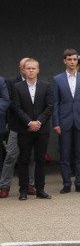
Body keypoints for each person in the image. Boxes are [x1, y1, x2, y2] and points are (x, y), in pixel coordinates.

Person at [10, 58, 53, 200]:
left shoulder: (46, 86)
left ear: (38, 70)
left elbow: (50, 106)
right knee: (24, 159)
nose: (31, 71)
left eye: (33, 68)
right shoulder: (17, 87)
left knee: (40, 159)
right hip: (25, 129)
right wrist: (29, 123)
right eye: (28, 68)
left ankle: (40, 189)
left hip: (42, 129)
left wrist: (39, 122)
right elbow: (16, 107)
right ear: (24, 70)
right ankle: (23, 190)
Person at [53, 49, 80, 194]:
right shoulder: (57, 79)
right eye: (70, 59)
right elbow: (55, 102)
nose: (72, 62)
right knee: (65, 154)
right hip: (64, 121)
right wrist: (56, 123)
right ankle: (67, 183)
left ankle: (79, 183)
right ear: (65, 61)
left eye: (75, 59)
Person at [0, 58, 35, 198]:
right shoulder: (11, 82)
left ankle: (30, 184)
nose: (27, 69)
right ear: (21, 69)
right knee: (11, 155)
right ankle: (4, 185)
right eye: (24, 67)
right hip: (16, 125)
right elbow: (10, 104)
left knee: (30, 156)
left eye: (30, 67)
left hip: (32, 126)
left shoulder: (40, 83)